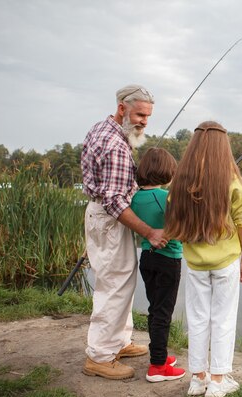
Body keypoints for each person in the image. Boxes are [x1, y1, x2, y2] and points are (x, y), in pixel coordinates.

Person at [81, 85, 168, 380]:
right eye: (140, 114)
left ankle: (119, 341)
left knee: (119, 278)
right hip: (109, 219)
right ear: (122, 108)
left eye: (147, 116)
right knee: (114, 284)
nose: (144, 121)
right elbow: (116, 202)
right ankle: (101, 356)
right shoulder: (116, 146)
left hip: (99, 216)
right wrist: (150, 232)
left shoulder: (102, 130)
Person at [164, 121, 242, 397]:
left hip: (195, 264)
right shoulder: (234, 181)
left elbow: (172, 217)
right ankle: (217, 381)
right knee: (223, 319)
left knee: (198, 319)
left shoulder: (179, 182)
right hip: (226, 262)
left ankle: (197, 379)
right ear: (222, 146)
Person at [130, 148, 186, 382]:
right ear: (165, 171)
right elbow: (183, 226)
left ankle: (158, 355)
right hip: (168, 260)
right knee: (163, 312)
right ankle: (158, 367)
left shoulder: (135, 198)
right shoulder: (165, 198)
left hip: (147, 258)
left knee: (155, 309)